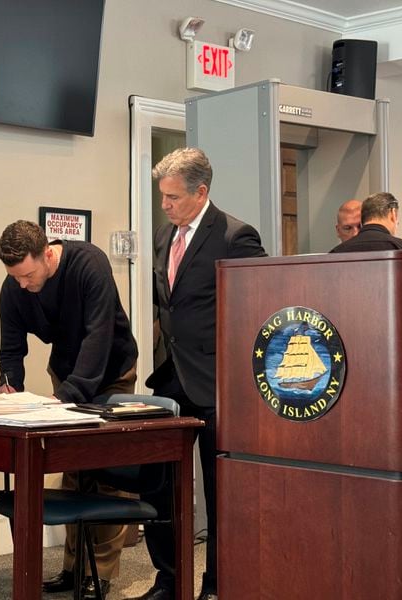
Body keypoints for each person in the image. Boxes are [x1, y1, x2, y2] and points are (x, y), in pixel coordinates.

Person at [132, 148, 266, 600]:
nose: (165, 205)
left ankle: (217, 584)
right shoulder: (161, 236)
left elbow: (256, 309)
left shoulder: (235, 236)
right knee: (160, 485)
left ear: (201, 191)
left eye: (172, 197)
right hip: (171, 381)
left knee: (220, 491)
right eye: (162, 197)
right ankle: (170, 580)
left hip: (218, 384)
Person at [0, 220, 139, 599]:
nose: (22, 285)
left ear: (48, 254)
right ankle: (74, 569)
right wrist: (10, 388)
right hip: (68, 371)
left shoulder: (89, 265)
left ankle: (100, 573)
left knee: (105, 472)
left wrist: (67, 399)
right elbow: (11, 348)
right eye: (16, 278)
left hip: (110, 371)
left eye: (27, 275)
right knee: (74, 470)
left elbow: (99, 337)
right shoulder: (15, 286)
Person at [330, 192, 402, 252]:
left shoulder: (330, 258)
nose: (355, 234)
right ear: (393, 215)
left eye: (360, 227)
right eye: (347, 228)